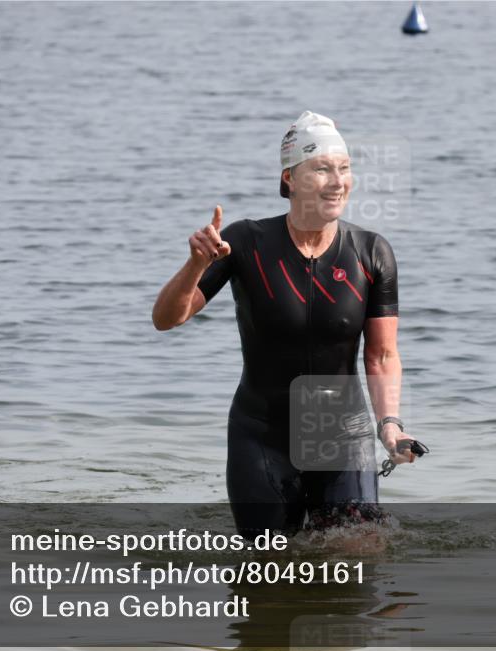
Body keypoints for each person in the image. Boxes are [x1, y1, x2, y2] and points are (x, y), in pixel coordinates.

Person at [153, 111, 417, 538]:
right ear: (289, 179)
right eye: (322, 169)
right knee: (268, 573)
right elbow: (167, 319)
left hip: (342, 437)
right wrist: (195, 265)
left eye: (344, 169)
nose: (337, 181)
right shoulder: (244, 242)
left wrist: (390, 425)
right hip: (262, 437)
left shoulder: (371, 253)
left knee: (357, 559)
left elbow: (382, 354)